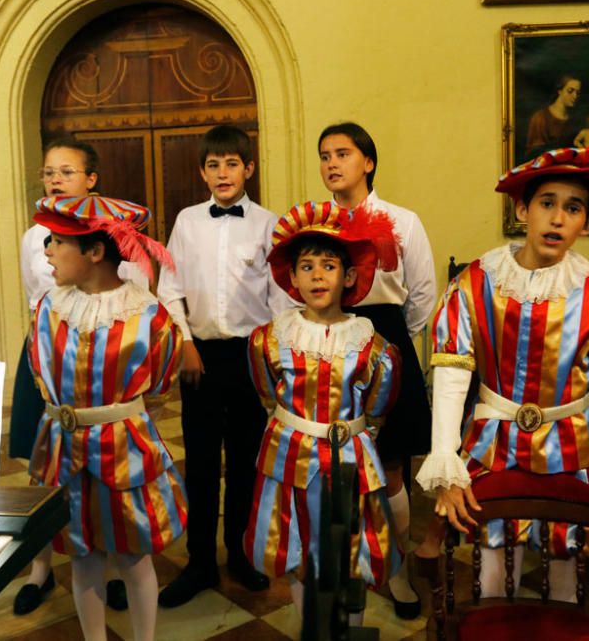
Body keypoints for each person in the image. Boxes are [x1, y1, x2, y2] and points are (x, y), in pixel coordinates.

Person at [417, 147, 589, 601]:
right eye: (547, 203)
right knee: (490, 558)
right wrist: (445, 460)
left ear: (586, 224)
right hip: (494, 441)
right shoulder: (475, 284)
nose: (557, 218)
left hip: (576, 444)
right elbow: (451, 381)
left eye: (572, 208)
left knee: (566, 563)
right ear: (522, 210)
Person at [28, 194, 186, 641]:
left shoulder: (150, 316)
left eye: (57, 241)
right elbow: (39, 368)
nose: (47, 251)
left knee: (134, 558)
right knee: (82, 557)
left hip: (124, 452)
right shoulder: (47, 309)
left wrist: (115, 414)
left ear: (95, 252)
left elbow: (159, 383)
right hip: (64, 450)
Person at [244, 200, 402, 623]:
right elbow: (267, 392)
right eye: (307, 266)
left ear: (348, 276)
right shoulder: (269, 340)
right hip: (290, 461)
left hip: (350, 462)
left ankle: (351, 626)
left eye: (329, 265)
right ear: (292, 277)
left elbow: (377, 407)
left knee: (351, 549)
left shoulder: (374, 346)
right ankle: (311, 625)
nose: (317, 275)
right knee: (299, 545)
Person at [156, 124, 291, 607]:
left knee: (246, 462)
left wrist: (272, 361)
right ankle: (199, 562)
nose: (222, 173)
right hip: (201, 357)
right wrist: (186, 345)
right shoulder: (187, 221)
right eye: (213, 165)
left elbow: (280, 300)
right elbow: (169, 290)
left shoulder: (270, 225)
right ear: (202, 172)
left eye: (231, 163)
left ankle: (240, 552)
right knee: (201, 461)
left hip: (251, 355)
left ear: (249, 168)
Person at [317, 122, 434, 619]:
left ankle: (399, 570)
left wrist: (384, 341)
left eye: (342, 153)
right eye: (324, 156)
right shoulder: (316, 223)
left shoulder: (402, 221)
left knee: (387, 468)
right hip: (330, 346)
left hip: (386, 341)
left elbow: (423, 295)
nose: (331, 164)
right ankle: (347, 571)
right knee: (339, 470)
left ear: (368, 161)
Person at [10, 137, 131, 615]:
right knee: (41, 464)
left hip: (101, 353)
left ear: (91, 179)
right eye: (48, 172)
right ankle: (40, 569)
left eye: (66, 171)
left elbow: (132, 290)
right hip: (47, 351)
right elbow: (32, 295)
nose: (55, 179)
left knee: (110, 464)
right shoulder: (31, 235)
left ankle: (119, 566)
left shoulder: (114, 229)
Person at [525, 74, 582, 157]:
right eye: (570, 91)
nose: (575, 96)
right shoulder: (540, 118)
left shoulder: (574, 120)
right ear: (559, 91)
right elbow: (533, 152)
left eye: (578, 93)